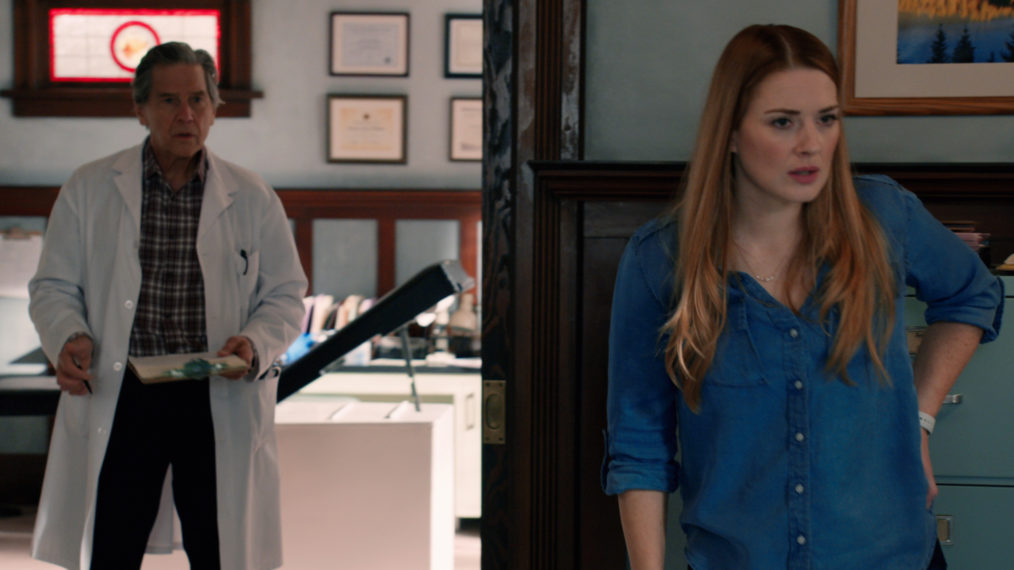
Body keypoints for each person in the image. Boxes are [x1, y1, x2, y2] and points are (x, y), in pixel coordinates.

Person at [601, 24, 1004, 570]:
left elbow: (973, 295)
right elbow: (638, 446)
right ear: (730, 133)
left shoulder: (885, 217)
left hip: (892, 556)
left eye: (827, 119)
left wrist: (920, 421)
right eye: (783, 122)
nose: (811, 143)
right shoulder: (659, 259)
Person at [28, 42, 307, 569]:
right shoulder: (89, 187)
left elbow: (286, 295)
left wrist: (255, 342)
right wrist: (68, 335)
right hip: (124, 392)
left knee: (219, 548)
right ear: (140, 110)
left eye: (198, 99)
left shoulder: (252, 195)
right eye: (169, 101)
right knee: (112, 544)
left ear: (214, 108)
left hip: (214, 392)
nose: (186, 115)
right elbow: (53, 287)